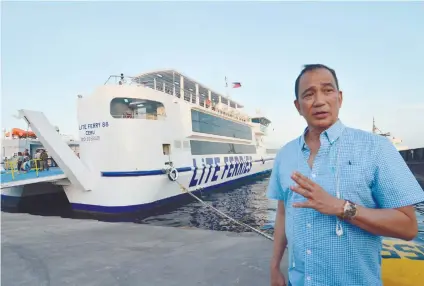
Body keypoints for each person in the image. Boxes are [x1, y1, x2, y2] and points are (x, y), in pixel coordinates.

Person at [267, 64, 424, 286]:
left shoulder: (375, 148)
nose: (319, 100)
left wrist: (342, 208)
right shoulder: (285, 154)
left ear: (339, 98)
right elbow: (283, 214)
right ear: (298, 106)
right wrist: (274, 266)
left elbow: (408, 227)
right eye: (309, 94)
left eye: (327, 90)